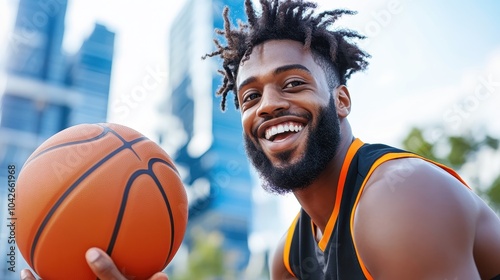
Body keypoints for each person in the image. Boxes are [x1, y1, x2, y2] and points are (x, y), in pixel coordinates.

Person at [21, 0, 500, 279]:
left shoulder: (399, 200)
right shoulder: (289, 254)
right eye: (250, 96)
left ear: (342, 100)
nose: (267, 105)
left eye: (293, 83)